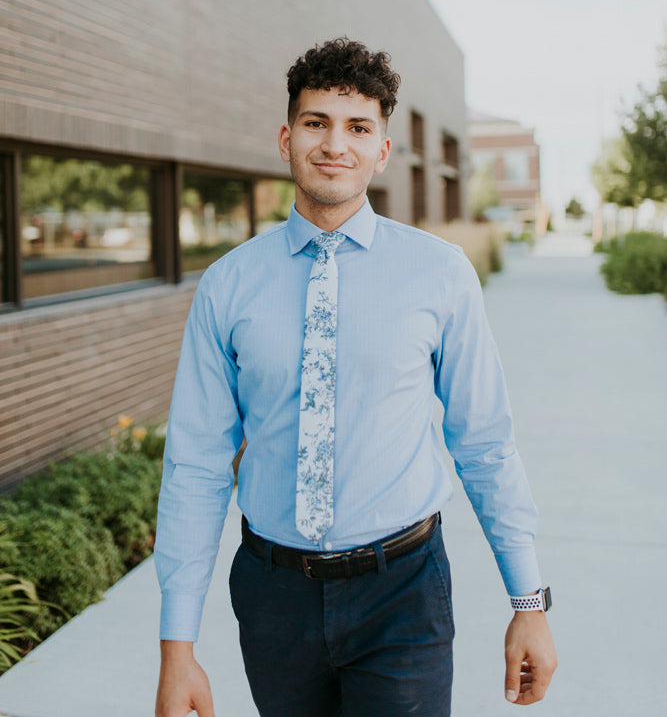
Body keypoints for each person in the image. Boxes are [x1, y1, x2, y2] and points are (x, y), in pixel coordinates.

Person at [154, 38, 557, 717]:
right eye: (316, 123)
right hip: (272, 596)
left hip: (402, 592)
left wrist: (528, 602)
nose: (334, 144)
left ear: (382, 150)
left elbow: (482, 439)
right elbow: (194, 461)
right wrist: (176, 646)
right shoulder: (228, 285)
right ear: (286, 138)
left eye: (357, 127)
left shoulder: (439, 273)